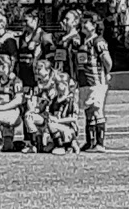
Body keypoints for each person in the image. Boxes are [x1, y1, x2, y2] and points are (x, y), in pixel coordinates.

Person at [75, 12, 112, 153]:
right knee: (88, 111)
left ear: (94, 25)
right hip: (85, 82)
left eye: (87, 22)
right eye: (83, 22)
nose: (83, 25)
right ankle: (90, 142)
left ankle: (100, 143)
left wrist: (106, 73)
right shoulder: (83, 42)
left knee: (97, 111)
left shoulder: (98, 41)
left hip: (96, 82)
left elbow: (107, 61)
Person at [0, 54, 24, 153]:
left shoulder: (16, 81)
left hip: (11, 111)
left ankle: (13, 141)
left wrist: (2, 108)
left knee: (9, 148)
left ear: (3, 66)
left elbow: (18, 100)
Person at [23, 57, 56, 154]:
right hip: (41, 115)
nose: (36, 71)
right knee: (28, 116)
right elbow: (32, 105)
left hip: (52, 117)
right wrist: (30, 104)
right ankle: (35, 144)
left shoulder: (54, 85)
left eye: (39, 69)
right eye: (36, 69)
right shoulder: (35, 86)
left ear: (48, 70)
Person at [43, 71, 80, 156]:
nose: (56, 86)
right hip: (56, 125)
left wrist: (58, 121)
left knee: (52, 125)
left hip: (69, 127)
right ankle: (57, 142)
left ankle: (62, 146)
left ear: (65, 85)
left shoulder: (71, 100)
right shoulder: (55, 99)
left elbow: (74, 118)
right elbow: (50, 112)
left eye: (58, 84)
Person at [17, 9, 53, 91]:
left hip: (38, 79)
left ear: (35, 19)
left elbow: (50, 61)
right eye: (22, 21)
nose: (23, 24)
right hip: (24, 77)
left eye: (26, 21)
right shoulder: (22, 38)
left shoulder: (44, 36)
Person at [53, 9, 80, 74]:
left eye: (67, 19)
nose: (64, 21)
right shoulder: (61, 37)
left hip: (72, 73)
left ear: (75, 22)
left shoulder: (77, 38)